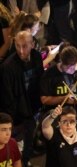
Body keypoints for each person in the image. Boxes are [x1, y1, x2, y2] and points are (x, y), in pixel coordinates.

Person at [0, 31, 44, 167]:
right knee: (15, 144)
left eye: (24, 46)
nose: (20, 50)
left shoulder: (37, 57)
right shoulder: (7, 67)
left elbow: (40, 80)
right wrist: (14, 119)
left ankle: (26, 161)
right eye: (18, 46)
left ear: (32, 44)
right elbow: (7, 97)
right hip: (17, 115)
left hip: (33, 108)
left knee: (29, 141)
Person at [40, 43, 77, 122]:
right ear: (61, 61)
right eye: (68, 67)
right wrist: (64, 98)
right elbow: (44, 100)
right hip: (59, 118)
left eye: (75, 66)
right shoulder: (49, 74)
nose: (73, 70)